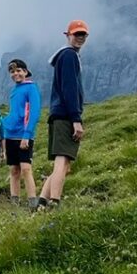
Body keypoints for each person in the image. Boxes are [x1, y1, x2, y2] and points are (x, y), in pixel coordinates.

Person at [36, 21, 87, 211]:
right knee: (62, 160)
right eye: (76, 34)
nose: (80, 37)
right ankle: (55, 202)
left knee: (63, 162)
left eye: (83, 34)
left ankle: (42, 202)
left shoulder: (65, 56)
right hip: (65, 115)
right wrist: (76, 119)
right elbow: (70, 88)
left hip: (59, 114)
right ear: (68, 35)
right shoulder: (69, 56)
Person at [0, 58, 41, 203]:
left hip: (23, 135)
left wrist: (27, 135)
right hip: (10, 135)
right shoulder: (13, 90)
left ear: (25, 72)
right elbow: (14, 111)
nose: (15, 74)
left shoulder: (31, 88)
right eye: (12, 71)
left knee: (26, 169)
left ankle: (32, 201)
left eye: (18, 70)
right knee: (13, 170)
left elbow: (34, 112)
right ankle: (14, 202)